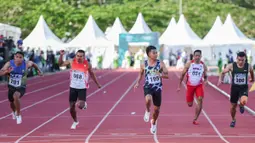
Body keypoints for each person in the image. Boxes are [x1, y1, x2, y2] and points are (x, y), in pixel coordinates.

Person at [58, 49, 101, 129]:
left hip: (82, 88)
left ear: (84, 57)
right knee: (71, 108)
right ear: (75, 56)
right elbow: (60, 64)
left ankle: (83, 103)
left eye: (81, 56)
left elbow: (92, 74)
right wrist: (61, 55)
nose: (79, 57)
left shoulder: (87, 64)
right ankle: (75, 121)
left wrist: (97, 84)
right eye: (77, 56)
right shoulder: (71, 62)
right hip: (73, 87)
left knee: (80, 105)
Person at [0, 51, 42, 124]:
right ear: (14, 57)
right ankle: (14, 111)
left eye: (20, 57)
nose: (18, 59)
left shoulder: (26, 64)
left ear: (23, 58)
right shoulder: (9, 64)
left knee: (16, 96)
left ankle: (18, 114)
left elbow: (33, 64)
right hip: (11, 86)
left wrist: (39, 70)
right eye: (17, 57)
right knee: (11, 102)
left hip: (21, 86)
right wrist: (6, 71)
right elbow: (1, 73)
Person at [134, 45, 168, 134]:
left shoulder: (160, 63)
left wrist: (160, 75)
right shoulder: (143, 64)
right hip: (148, 86)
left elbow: (167, 75)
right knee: (148, 99)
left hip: (158, 88)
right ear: (148, 54)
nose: (156, 54)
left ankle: (153, 122)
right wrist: (137, 82)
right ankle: (148, 110)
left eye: (156, 52)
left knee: (156, 110)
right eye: (154, 53)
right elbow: (140, 74)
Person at [217, 51, 254, 127]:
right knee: (233, 106)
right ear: (236, 59)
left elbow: (252, 72)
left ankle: (241, 105)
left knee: (243, 100)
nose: (240, 62)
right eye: (239, 60)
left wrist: (252, 79)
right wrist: (220, 79)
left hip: (243, 87)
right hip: (234, 88)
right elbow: (223, 72)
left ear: (245, 59)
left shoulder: (248, 66)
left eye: (242, 60)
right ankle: (233, 120)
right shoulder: (232, 66)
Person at [177, 50, 208, 125]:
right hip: (190, 86)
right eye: (196, 55)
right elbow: (182, 75)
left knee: (200, 99)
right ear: (193, 56)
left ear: (201, 56)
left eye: (199, 56)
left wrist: (206, 80)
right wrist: (179, 86)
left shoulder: (203, 65)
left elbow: (205, 75)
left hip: (199, 85)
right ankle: (191, 104)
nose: (197, 57)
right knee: (190, 104)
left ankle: (195, 118)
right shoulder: (189, 64)